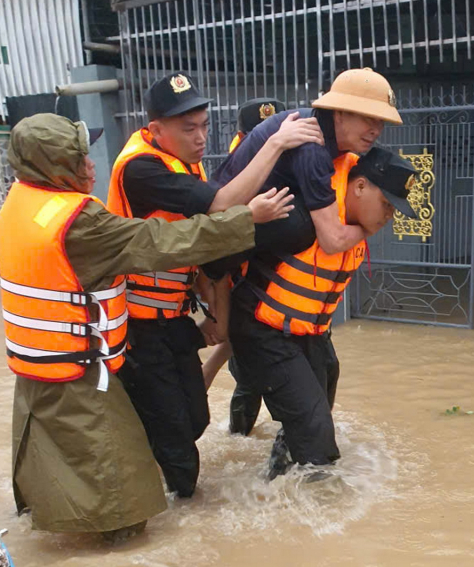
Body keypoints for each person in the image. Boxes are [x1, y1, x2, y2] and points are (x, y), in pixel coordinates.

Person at [0, 114, 292, 539]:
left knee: (64, 460)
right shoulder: (77, 222)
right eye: (80, 158)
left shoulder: (22, 202)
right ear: (55, 165)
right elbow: (160, 242)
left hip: (37, 369)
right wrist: (245, 218)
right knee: (123, 496)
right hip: (80, 375)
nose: (92, 165)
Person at [105, 73, 322, 499]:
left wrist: (215, 315)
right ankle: (176, 506)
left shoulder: (186, 163)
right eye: (189, 129)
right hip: (138, 324)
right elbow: (221, 206)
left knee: (195, 419)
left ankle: (149, 462)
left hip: (174, 319)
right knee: (177, 440)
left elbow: (205, 250)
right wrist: (276, 144)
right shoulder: (141, 169)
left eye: (205, 126)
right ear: (156, 130)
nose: (201, 137)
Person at [206, 68, 403, 437]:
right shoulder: (312, 146)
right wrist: (370, 225)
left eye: (381, 122)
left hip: (260, 266)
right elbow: (331, 239)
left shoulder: (329, 145)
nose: (376, 129)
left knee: (323, 375)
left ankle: (271, 444)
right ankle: (239, 436)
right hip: (229, 258)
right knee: (255, 385)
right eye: (368, 118)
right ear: (339, 112)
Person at [200, 97, 288, 392]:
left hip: (278, 282)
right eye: (258, 138)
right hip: (240, 279)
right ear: (242, 138)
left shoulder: (293, 165)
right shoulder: (233, 177)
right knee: (248, 375)